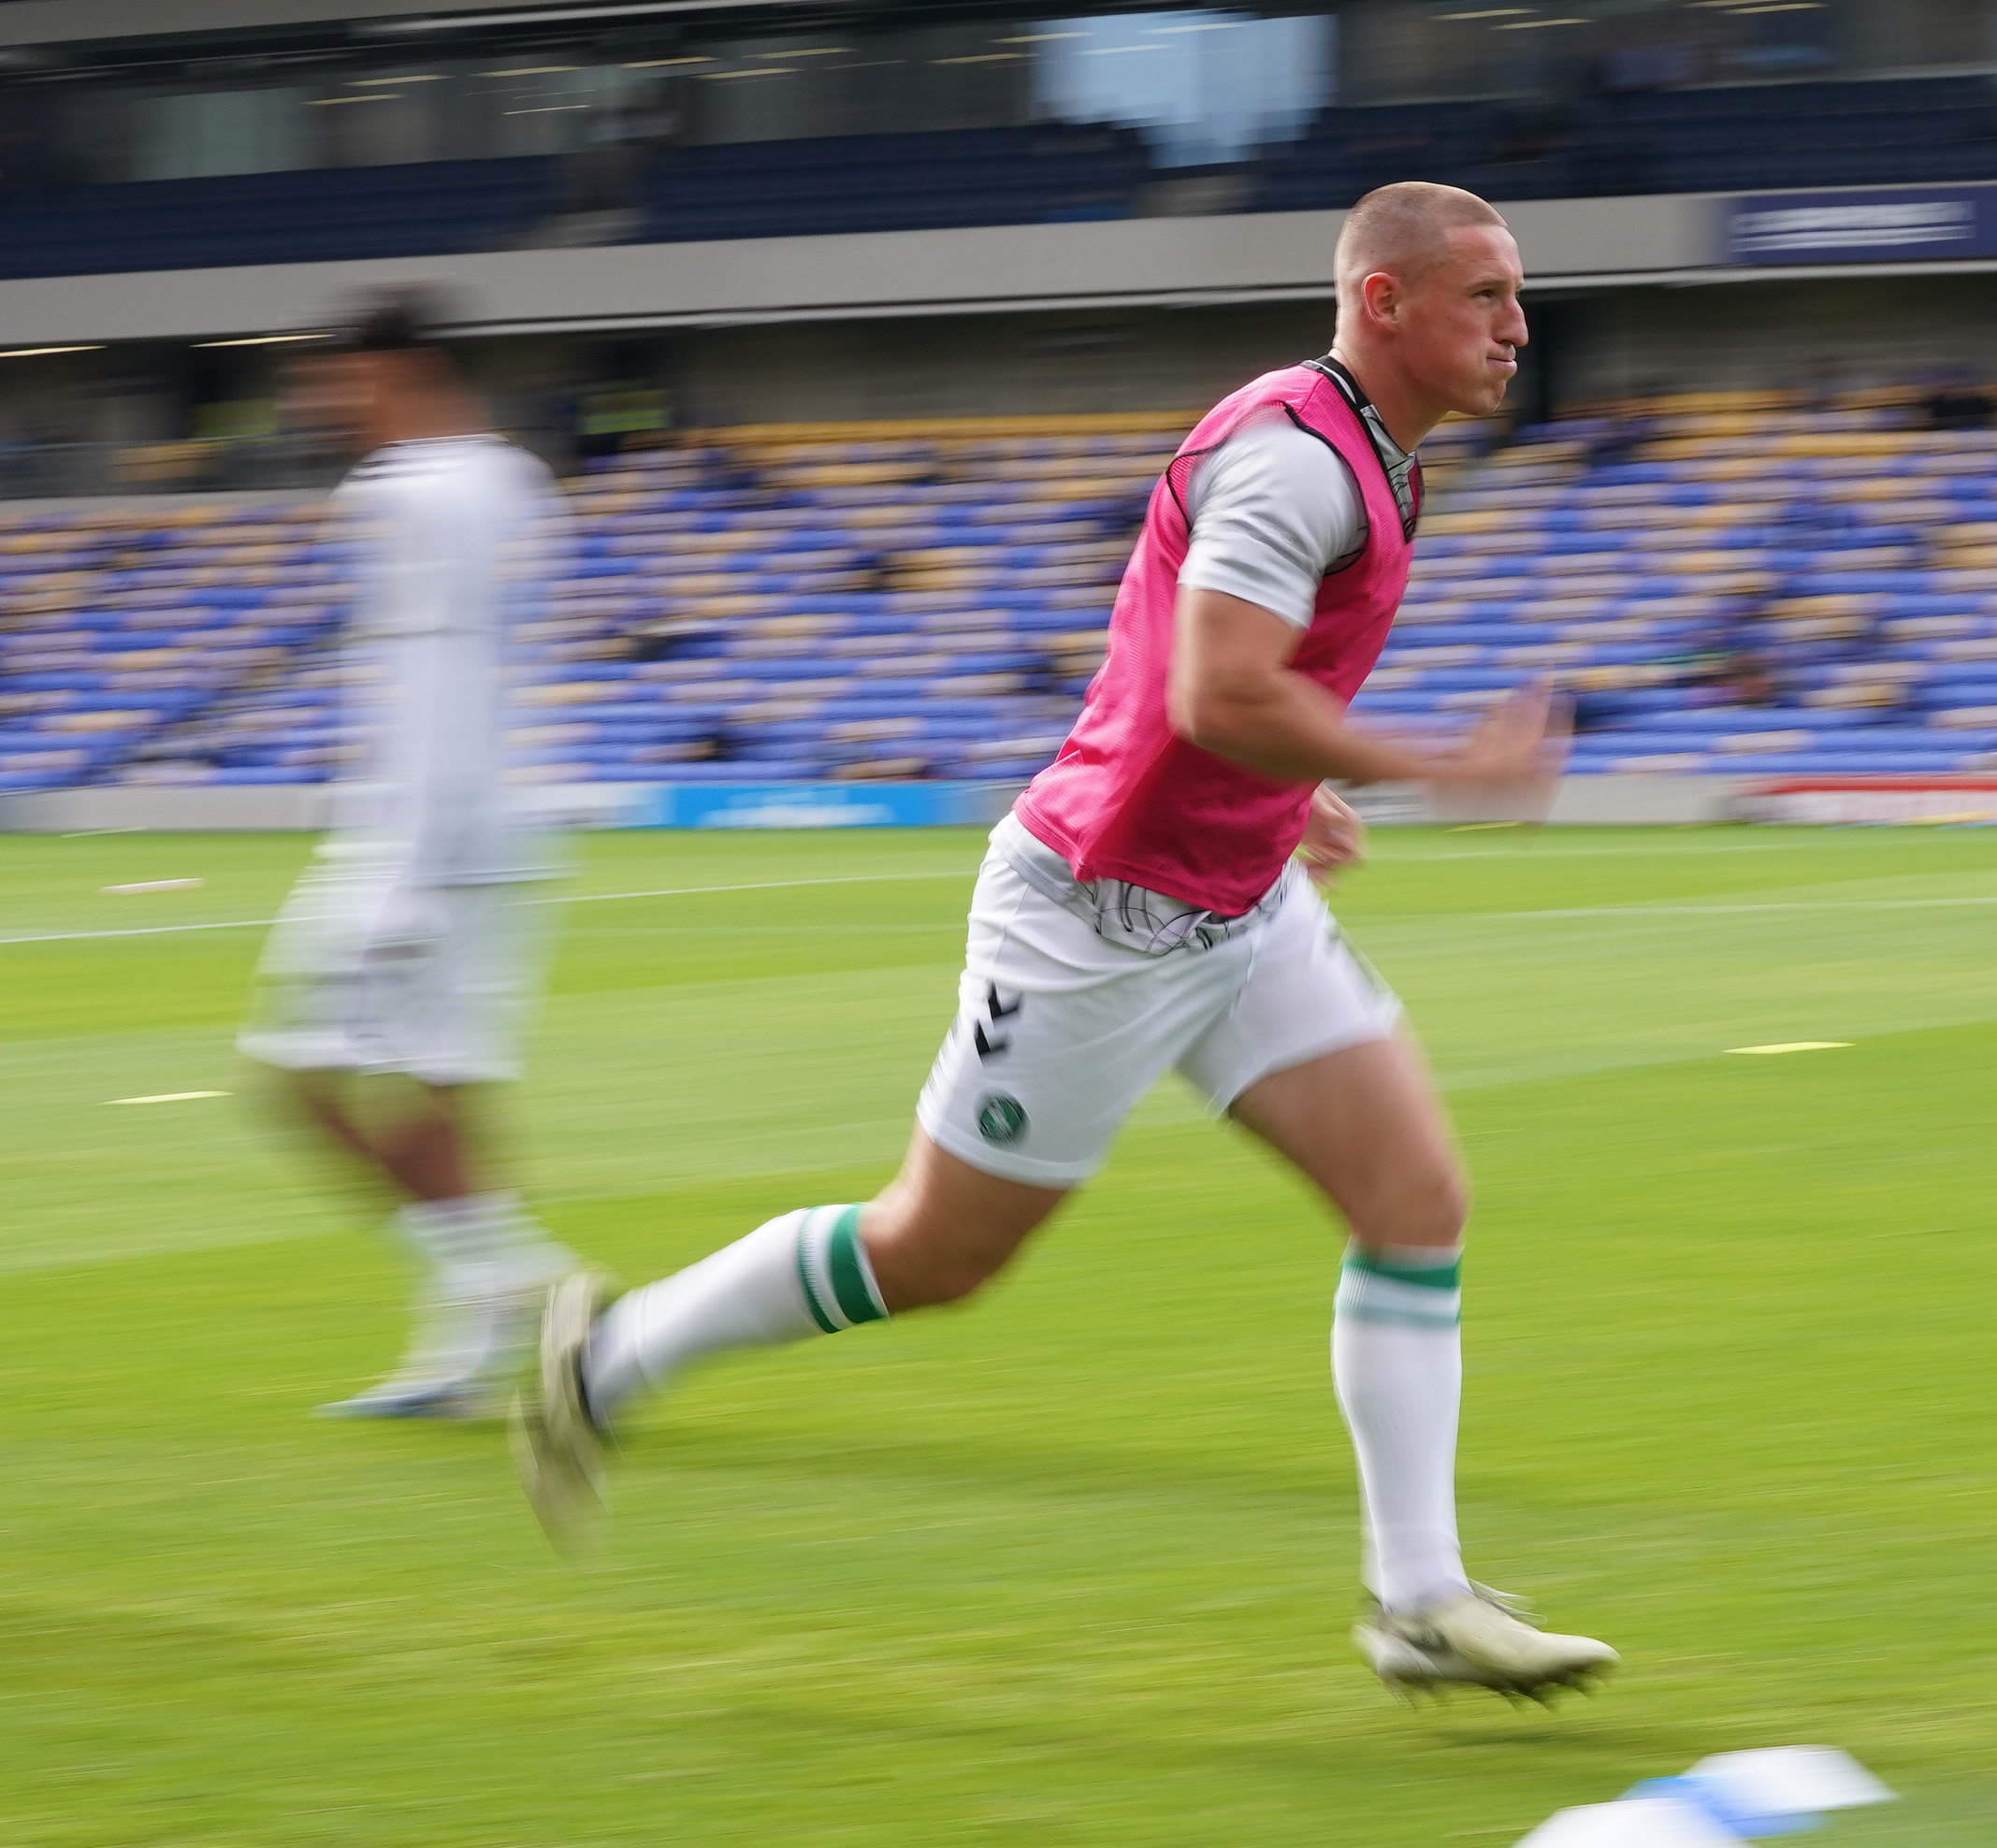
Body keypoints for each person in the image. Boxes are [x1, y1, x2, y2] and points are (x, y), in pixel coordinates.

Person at [513, 182, 1620, 1705]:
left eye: (1515, 296)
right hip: (1096, 921)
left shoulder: (1366, 454)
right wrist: (1437, 770)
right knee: (934, 1251)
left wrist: (1281, 797)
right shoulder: (1299, 461)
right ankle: (607, 1359)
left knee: (1415, 1198)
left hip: (1235, 901)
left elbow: (1183, 668)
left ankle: (1421, 1599)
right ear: (1385, 301)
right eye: (1487, 295)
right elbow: (1216, 690)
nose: (1518, 327)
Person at [239, 287, 573, 1418]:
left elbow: (436, 678)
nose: (322, 402)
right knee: (441, 1097)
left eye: (335, 379)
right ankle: (471, 1342)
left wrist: (406, 874)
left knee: (294, 1077)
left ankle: (518, 1278)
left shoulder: (404, 492)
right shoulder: (515, 477)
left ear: (389, 373)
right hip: (502, 830)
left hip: (422, 840)